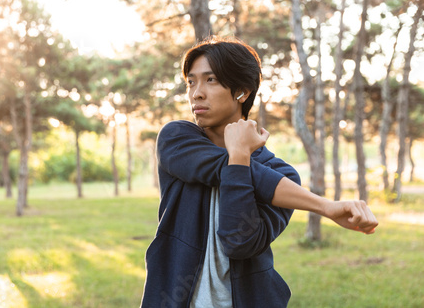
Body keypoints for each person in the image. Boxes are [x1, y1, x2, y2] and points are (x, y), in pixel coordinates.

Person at [140, 36, 378, 308]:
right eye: (191, 82)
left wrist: (240, 158)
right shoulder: (178, 139)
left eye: (211, 80)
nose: (196, 93)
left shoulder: (282, 175)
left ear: (242, 91)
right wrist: (325, 206)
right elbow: (221, 166)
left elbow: (238, 243)